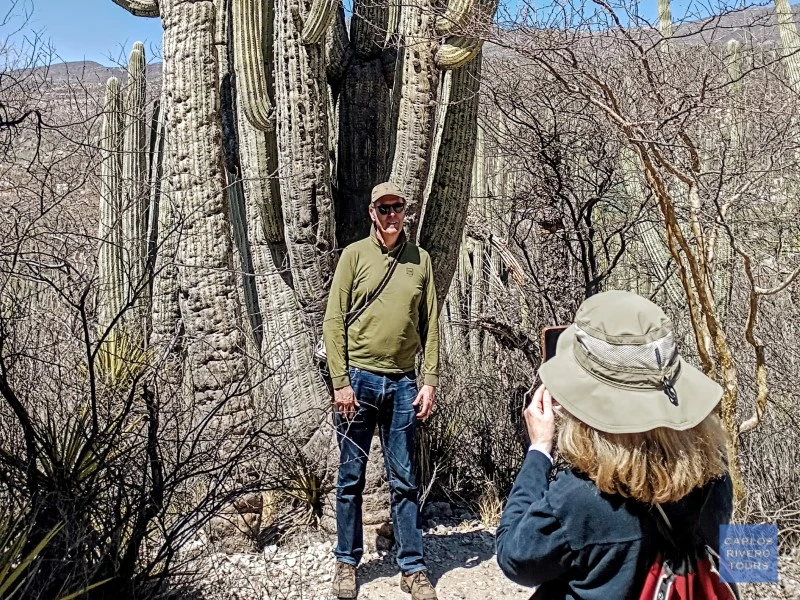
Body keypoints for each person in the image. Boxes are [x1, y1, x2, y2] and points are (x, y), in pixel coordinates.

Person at [496, 290, 738, 599]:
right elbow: (733, 558)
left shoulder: (580, 498)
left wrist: (539, 451)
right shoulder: (714, 472)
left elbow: (514, 558)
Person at [322, 181, 439, 600]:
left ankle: (413, 567)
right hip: (359, 380)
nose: (391, 216)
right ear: (372, 213)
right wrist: (340, 382)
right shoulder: (354, 256)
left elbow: (430, 325)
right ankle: (346, 563)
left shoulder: (419, 260)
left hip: (403, 382)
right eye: (384, 209)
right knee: (350, 476)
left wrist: (429, 380)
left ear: (405, 212)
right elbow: (333, 321)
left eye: (397, 208)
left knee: (405, 479)